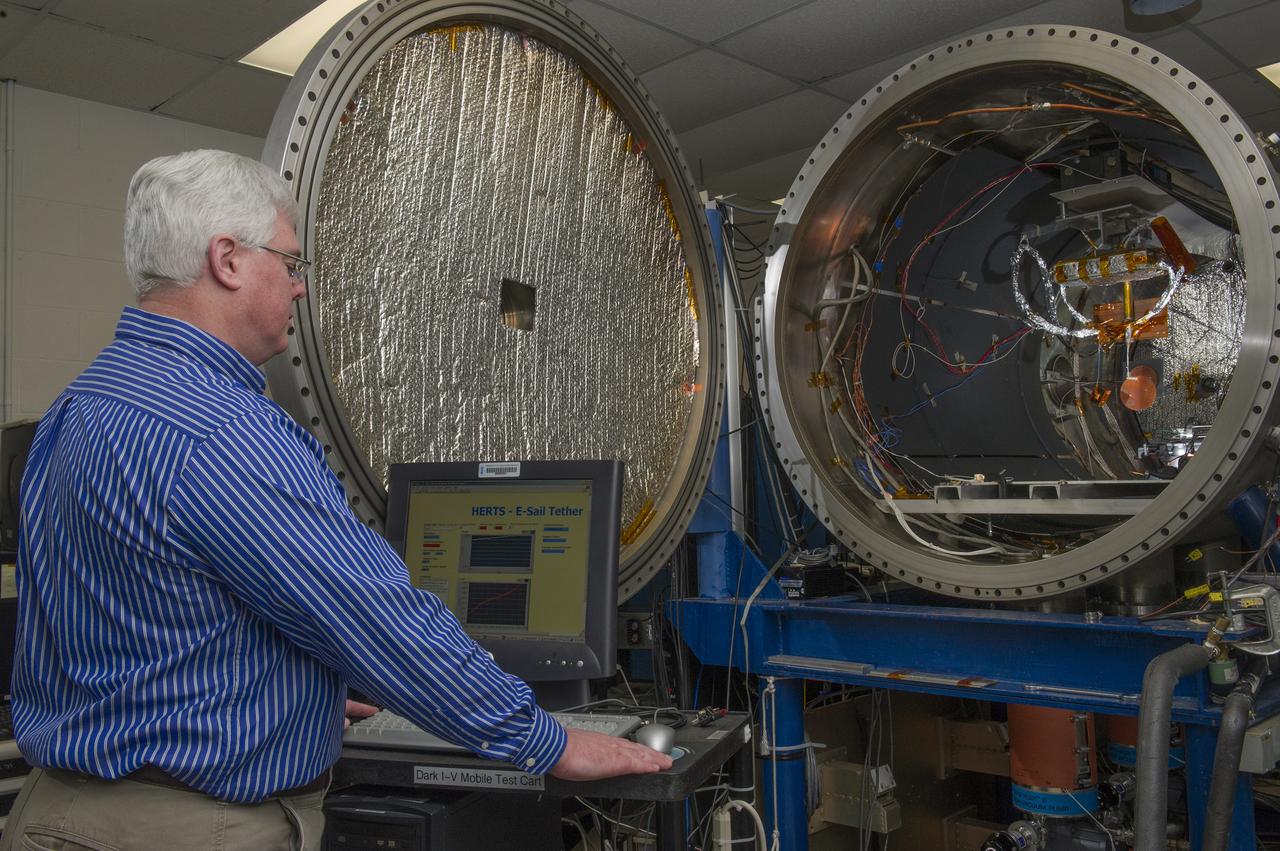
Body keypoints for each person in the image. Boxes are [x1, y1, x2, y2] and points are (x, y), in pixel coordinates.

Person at [2, 149, 670, 851]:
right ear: (227, 259)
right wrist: (545, 740)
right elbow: (381, 618)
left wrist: (297, 692)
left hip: (55, 814)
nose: (299, 289)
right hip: (185, 827)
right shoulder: (226, 429)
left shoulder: (78, 405)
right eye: (290, 265)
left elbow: (131, 614)